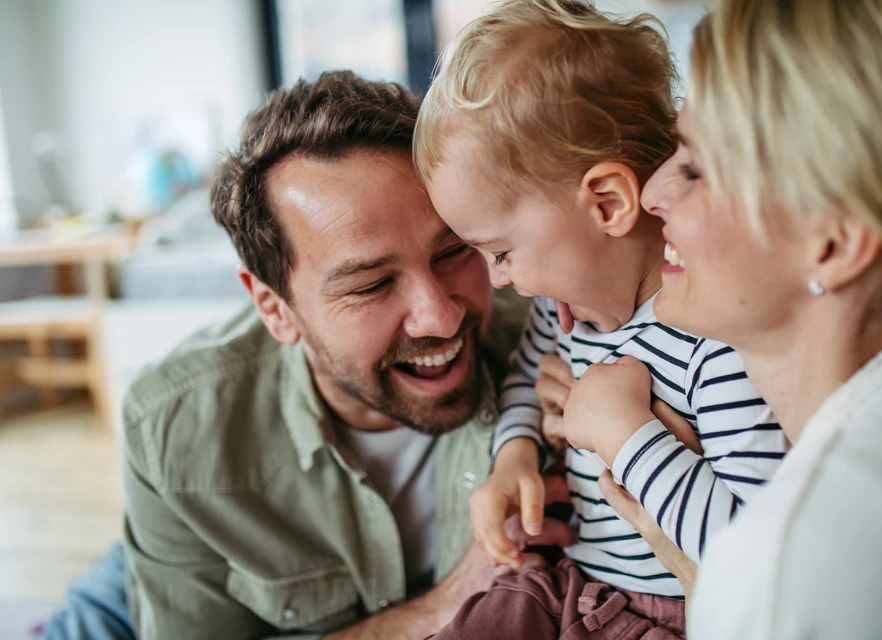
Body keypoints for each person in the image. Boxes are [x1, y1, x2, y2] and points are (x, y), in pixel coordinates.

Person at [43, 71, 578, 640]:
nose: (441, 316)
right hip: (170, 567)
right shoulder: (173, 427)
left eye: (453, 252)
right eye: (371, 285)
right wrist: (444, 604)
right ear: (275, 309)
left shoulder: (558, 327)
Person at [560, 0, 882, 638]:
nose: (653, 193)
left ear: (834, 242)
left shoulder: (780, 570)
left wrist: (707, 584)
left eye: (695, 168)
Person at [412, 1, 786, 637]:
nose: (496, 280)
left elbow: (748, 553)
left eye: (500, 252)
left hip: (675, 611)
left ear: (608, 204)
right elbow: (525, 383)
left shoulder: (719, 336)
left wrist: (625, 433)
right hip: (573, 584)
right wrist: (516, 456)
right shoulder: (560, 310)